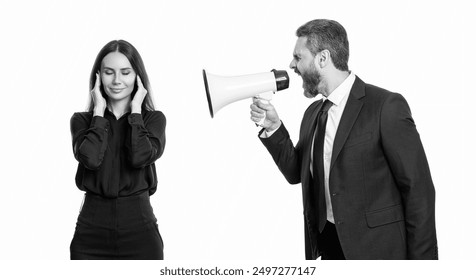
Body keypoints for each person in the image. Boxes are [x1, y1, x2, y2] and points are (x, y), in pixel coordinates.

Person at [250, 19, 437, 260]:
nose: (292, 65)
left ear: (323, 58)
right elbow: (296, 172)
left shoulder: (385, 106)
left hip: (378, 252)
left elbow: (418, 191)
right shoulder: (312, 114)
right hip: (328, 248)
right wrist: (274, 127)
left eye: (298, 57)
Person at [70, 40, 166, 259]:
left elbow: (140, 156)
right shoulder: (82, 121)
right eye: (108, 72)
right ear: (98, 77)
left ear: (138, 77)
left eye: (125, 72)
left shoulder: (153, 120)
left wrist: (135, 112)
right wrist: (98, 113)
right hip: (91, 229)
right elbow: (91, 159)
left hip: (139, 228)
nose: (117, 81)